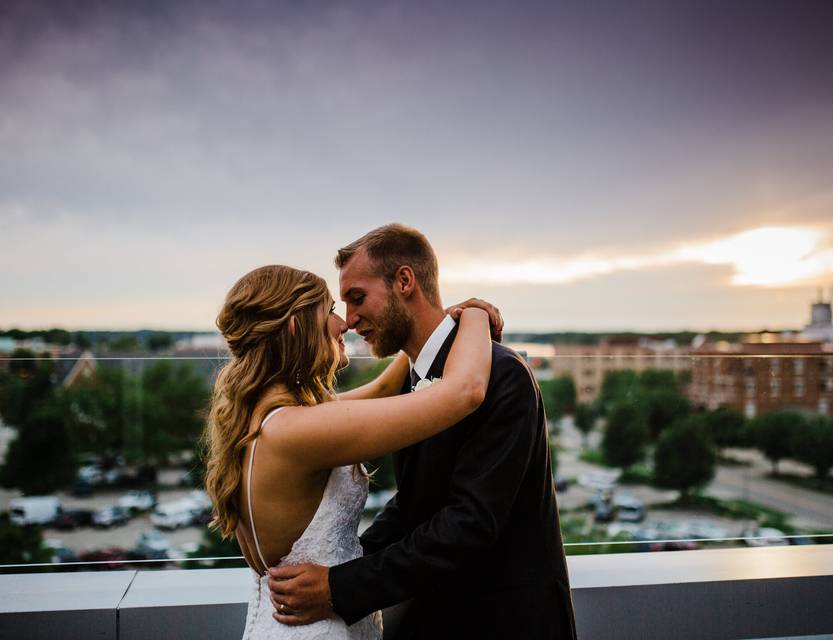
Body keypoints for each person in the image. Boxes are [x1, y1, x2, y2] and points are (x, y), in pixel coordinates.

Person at [267, 225, 578, 639]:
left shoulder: (503, 375)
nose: (351, 318)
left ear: (404, 281)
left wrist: (341, 585)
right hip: (441, 612)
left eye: (357, 298)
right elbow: (415, 503)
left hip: (507, 618)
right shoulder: (412, 380)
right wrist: (342, 564)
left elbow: (470, 521)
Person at [203, 263, 495, 639]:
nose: (344, 324)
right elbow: (464, 391)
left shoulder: (270, 419)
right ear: (296, 326)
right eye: (328, 310)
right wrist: (475, 316)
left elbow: (383, 391)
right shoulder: (299, 431)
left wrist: (436, 326)